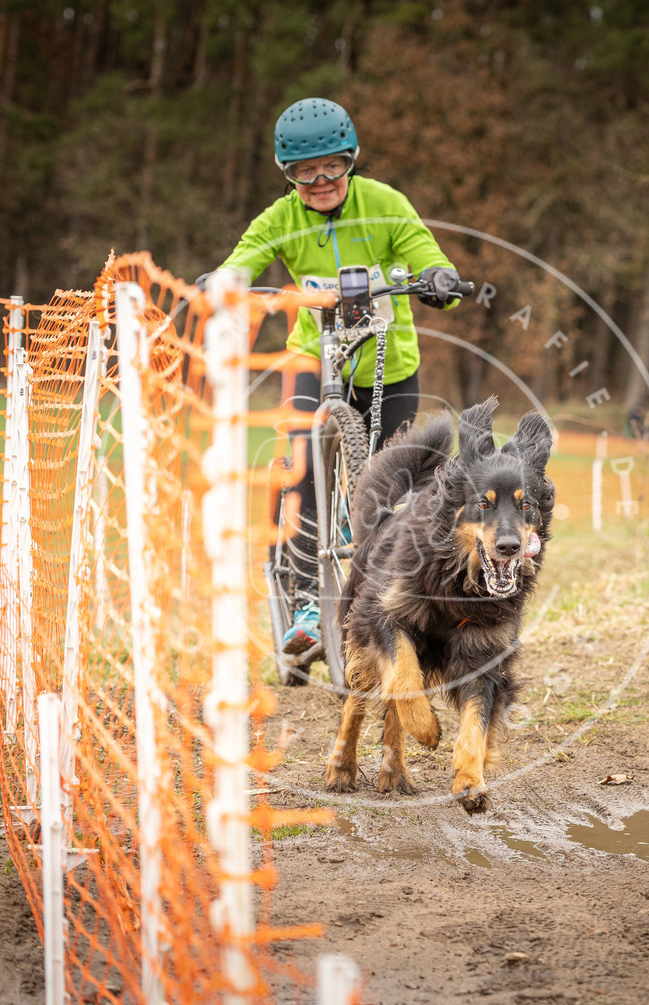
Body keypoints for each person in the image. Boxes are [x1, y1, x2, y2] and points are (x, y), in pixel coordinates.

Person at [212, 97, 463, 655]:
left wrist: (435, 275)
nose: (320, 180)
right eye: (305, 171)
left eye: (333, 166)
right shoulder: (279, 219)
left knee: (395, 482)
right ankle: (305, 597)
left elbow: (423, 248)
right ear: (288, 175)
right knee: (300, 464)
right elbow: (245, 258)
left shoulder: (384, 203)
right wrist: (226, 282)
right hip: (312, 357)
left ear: (351, 160)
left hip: (387, 362)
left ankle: (392, 596)